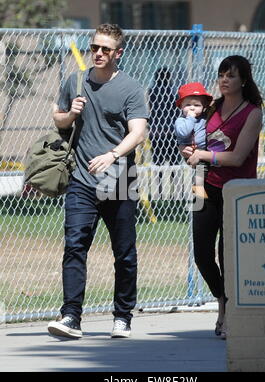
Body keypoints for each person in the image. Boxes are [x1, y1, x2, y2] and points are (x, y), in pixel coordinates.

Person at [47, 24, 148, 339]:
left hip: (119, 179)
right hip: (82, 179)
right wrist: (70, 114)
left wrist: (113, 155)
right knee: (75, 245)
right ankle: (71, 317)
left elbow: (138, 131)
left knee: (124, 252)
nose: (99, 53)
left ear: (119, 53)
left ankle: (122, 316)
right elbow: (57, 117)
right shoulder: (75, 81)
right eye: (94, 48)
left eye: (106, 49)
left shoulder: (131, 88)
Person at [180, 55, 263, 339]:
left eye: (231, 75)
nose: (225, 80)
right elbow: (193, 139)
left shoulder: (252, 113)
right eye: (221, 74)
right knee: (202, 254)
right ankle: (222, 299)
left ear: (243, 80)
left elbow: (238, 157)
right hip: (202, 186)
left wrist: (204, 155)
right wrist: (189, 151)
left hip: (236, 190)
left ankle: (226, 315)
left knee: (227, 256)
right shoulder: (211, 107)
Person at [174, 82, 213, 196]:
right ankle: (199, 198)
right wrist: (190, 118)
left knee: (207, 176)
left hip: (206, 151)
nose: (192, 108)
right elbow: (184, 133)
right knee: (200, 175)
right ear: (181, 106)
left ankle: (205, 195)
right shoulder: (181, 121)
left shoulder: (205, 118)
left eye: (196, 105)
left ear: (204, 107)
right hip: (191, 153)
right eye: (188, 105)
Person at [148, 67, 182, 165]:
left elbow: (151, 108)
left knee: (158, 162)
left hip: (156, 131)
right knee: (174, 162)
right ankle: (176, 180)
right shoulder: (173, 91)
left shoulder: (152, 91)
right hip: (172, 130)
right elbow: (176, 109)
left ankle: (159, 179)